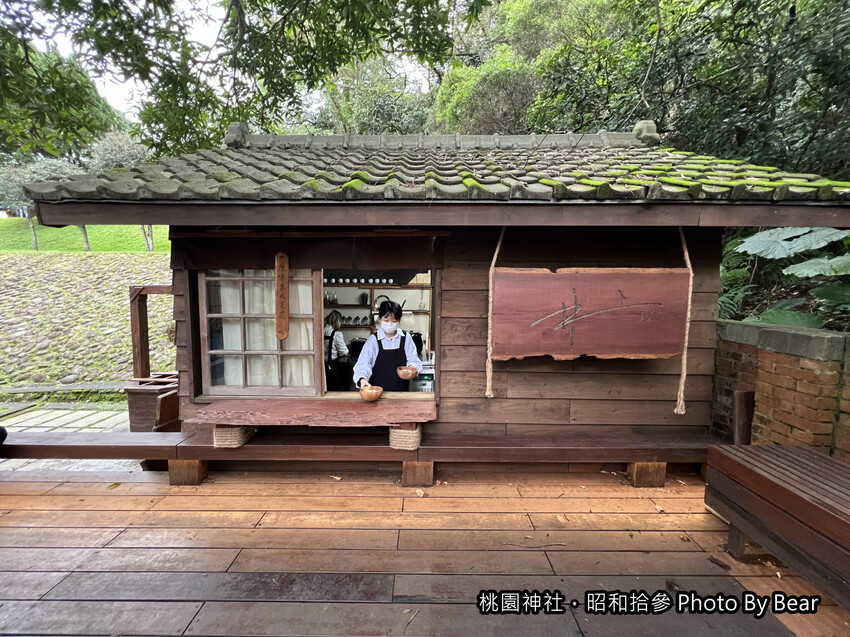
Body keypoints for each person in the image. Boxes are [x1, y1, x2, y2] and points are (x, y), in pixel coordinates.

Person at [354, 300, 422, 392]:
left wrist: (413, 368)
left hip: (401, 394)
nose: (390, 324)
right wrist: (362, 379)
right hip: (377, 394)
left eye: (394, 321)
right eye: (386, 320)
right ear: (379, 319)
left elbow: (413, 360)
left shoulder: (406, 338)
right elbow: (363, 364)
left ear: (399, 320)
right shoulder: (373, 340)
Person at [323, 310, 350, 391]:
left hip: (321, 365)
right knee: (336, 388)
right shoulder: (337, 334)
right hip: (332, 366)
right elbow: (344, 351)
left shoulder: (321, 330)